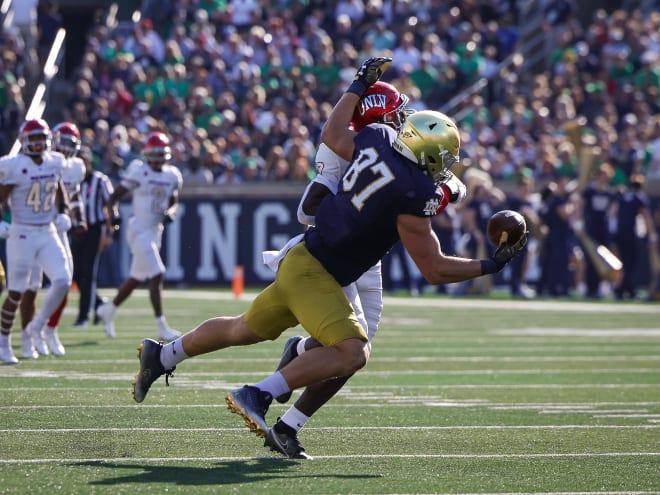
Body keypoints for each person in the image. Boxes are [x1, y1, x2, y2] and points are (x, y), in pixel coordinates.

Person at [129, 58, 526, 455]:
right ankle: (259, 394)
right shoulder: (413, 190)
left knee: (243, 329)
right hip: (319, 272)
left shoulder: (376, 140)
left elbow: (334, 131)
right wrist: (494, 263)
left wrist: (356, 85)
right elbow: (434, 268)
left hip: (307, 259)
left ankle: (163, 354)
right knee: (353, 350)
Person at [261, 80, 418, 459]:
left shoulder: (394, 149)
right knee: (353, 346)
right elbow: (306, 210)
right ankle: (287, 423)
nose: (402, 119)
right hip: (339, 257)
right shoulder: (343, 150)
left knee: (362, 344)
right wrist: (351, 219)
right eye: (395, 113)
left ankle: (296, 362)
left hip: (368, 257)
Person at [96, 131, 182, 341]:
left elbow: (174, 201)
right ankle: (161, 325)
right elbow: (114, 196)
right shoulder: (139, 171)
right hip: (139, 230)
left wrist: (170, 213)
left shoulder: (172, 175)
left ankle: (109, 309)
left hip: (155, 231)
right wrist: (112, 216)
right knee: (157, 273)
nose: (156, 159)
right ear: (145, 154)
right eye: (152, 154)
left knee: (136, 278)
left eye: (160, 154)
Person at [0, 118, 72, 364]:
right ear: (24, 141)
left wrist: (63, 211)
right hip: (22, 232)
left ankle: (36, 326)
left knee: (62, 280)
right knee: (17, 291)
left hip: (47, 230)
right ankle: (3, 343)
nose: (39, 144)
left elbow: (59, 187)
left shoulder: (55, 161)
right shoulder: (15, 166)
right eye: (34, 139)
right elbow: (1, 197)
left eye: (42, 139)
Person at [18, 121, 86, 358]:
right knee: (32, 285)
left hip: (59, 228)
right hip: (37, 226)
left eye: (70, 143)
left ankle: (48, 328)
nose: (66, 148)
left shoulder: (76, 166)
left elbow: (73, 194)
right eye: (62, 142)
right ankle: (28, 332)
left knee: (64, 281)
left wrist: (77, 218)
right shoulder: (44, 161)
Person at [70, 145, 119, 328]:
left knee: (88, 273)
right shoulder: (72, 179)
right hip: (76, 230)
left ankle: (84, 316)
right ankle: (99, 303)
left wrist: (109, 231)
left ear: (90, 162)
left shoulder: (100, 180)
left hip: (94, 229)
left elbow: (110, 205)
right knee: (74, 273)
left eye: (85, 160)